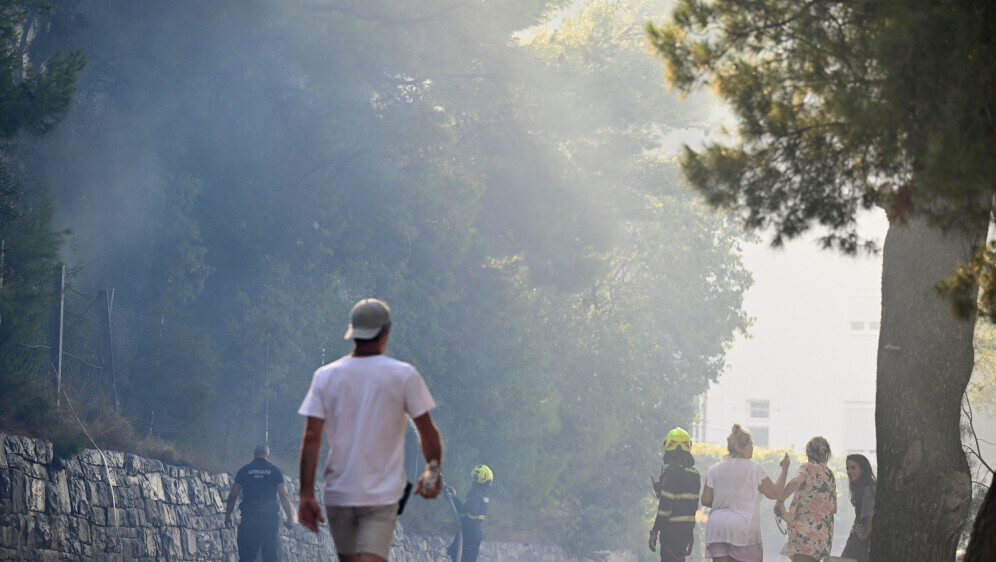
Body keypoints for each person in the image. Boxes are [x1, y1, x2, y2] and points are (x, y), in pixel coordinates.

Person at [297, 298, 444, 562]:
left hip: (340, 493)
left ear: (353, 332)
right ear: (386, 331)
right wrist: (432, 471)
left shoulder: (326, 376)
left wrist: (306, 494)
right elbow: (428, 432)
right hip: (381, 495)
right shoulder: (404, 375)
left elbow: (311, 438)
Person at [702, 424, 789, 562]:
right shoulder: (754, 469)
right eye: (751, 444)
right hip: (743, 527)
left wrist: (725, 501)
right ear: (745, 447)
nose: (753, 447)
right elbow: (776, 493)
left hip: (717, 527)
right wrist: (784, 470)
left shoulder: (714, 469)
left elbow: (706, 500)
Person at [224, 444, 296, 562]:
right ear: (268, 456)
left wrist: (227, 517)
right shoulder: (275, 471)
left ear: (253, 455)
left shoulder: (244, 470)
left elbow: (232, 496)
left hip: (249, 518)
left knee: (247, 556)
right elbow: (284, 495)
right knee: (270, 555)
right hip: (269, 520)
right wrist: (290, 518)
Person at [775, 436, 836, 562]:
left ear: (808, 452)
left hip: (805, 535)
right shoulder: (830, 475)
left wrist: (780, 500)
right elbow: (834, 509)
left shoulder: (807, 468)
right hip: (823, 538)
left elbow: (795, 482)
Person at [649, 427, 701, 562]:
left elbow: (665, 507)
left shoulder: (671, 472)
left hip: (671, 531)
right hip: (685, 531)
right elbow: (692, 507)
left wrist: (655, 531)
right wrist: (690, 532)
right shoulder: (695, 474)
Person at [445, 464, 493, 562]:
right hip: (473, 534)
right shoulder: (482, 494)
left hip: (468, 535)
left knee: (461, 558)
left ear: (477, 477)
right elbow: (465, 509)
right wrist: (454, 498)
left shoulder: (475, 494)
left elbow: (472, 514)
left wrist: (463, 524)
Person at [839, 453, 875, 562]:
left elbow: (870, 515)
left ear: (863, 469)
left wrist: (864, 534)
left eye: (853, 468)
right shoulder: (863, 488)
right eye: (848, 468)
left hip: (863, 543)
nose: (849, 471)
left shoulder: (867, 489)